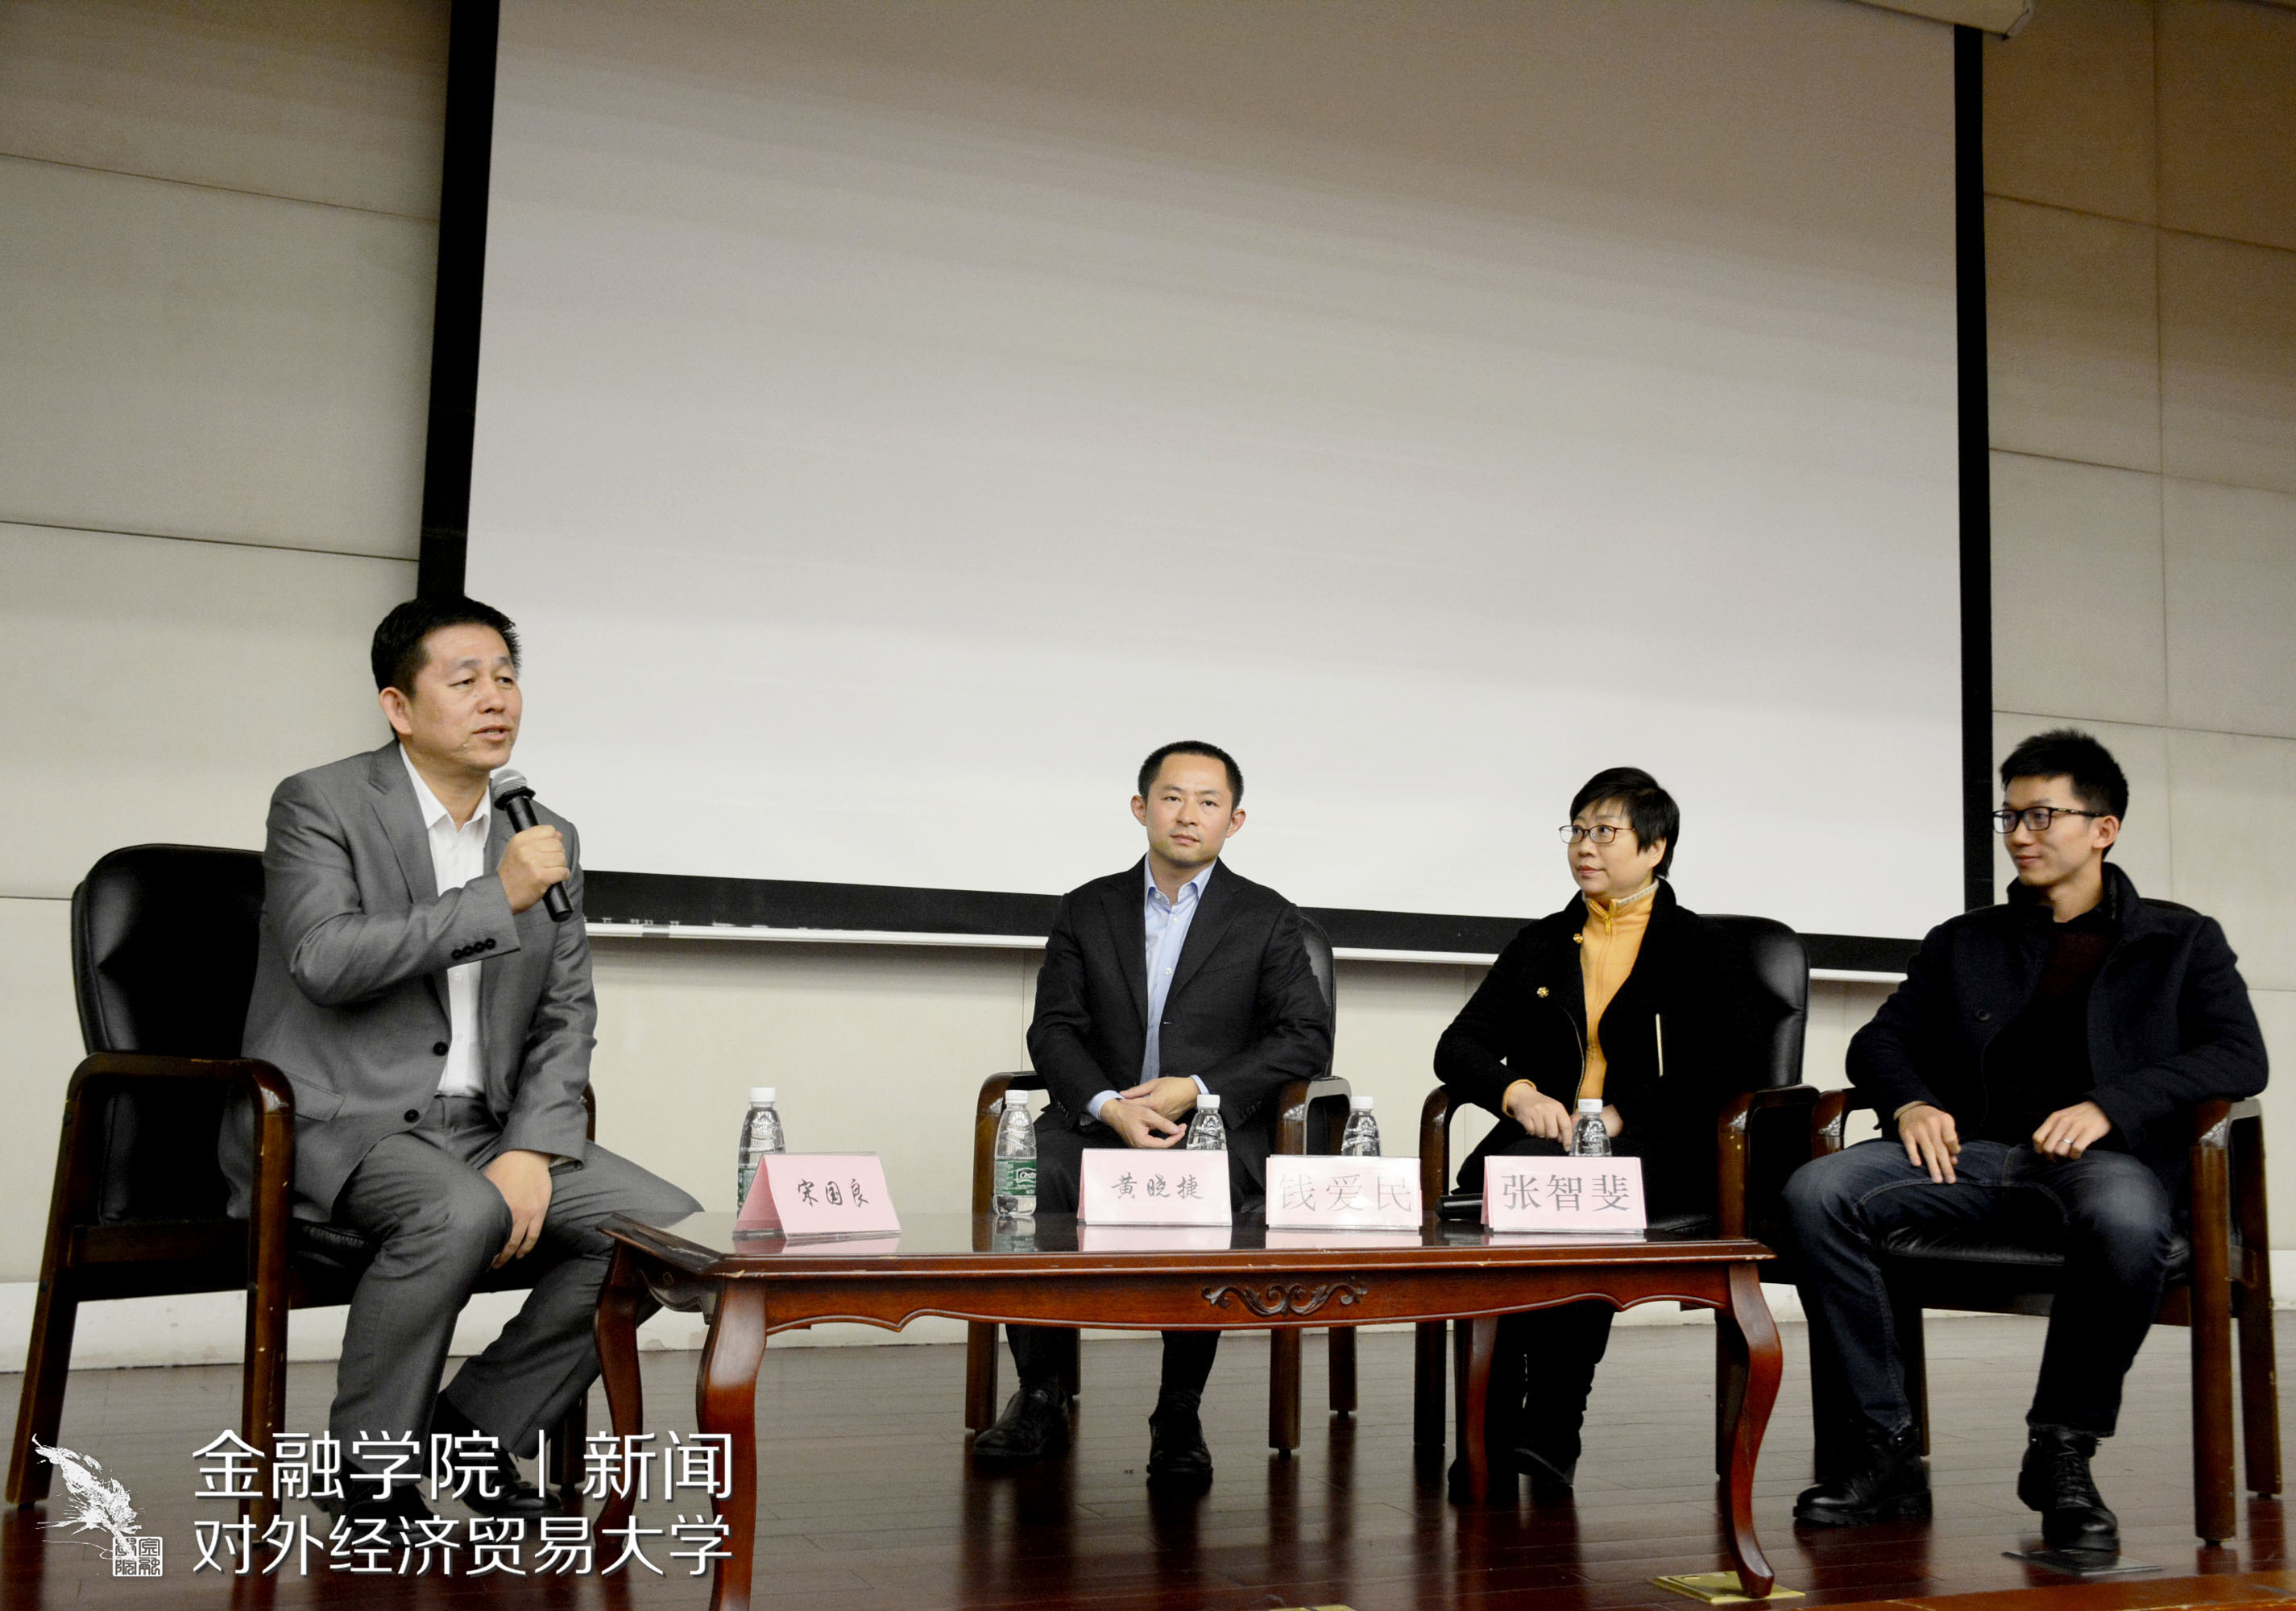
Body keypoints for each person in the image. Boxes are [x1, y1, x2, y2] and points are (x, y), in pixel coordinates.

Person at [226, 595, 702, 1523]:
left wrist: (531, 1146)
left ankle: (473, 1426)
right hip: (342, 1121)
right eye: (467, 679)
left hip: (485, 1126)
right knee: (459, 1208)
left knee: (661, 1232)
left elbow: (566, 1010)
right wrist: (496, 897)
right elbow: (324, 958)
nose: (496, 698)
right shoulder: (320, 803)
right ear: (399, 706)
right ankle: (368, 1470)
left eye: (507, 676)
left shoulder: (542, 832)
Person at [1784, 729, 2266, 1551]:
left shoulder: (2180, 940)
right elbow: (1880, 1041)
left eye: (2041, 815)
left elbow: (2239, 1055)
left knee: (2127, 1217)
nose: (2018, 834)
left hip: (2101, 1163)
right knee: (1817, 1191)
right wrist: (1910, 1104)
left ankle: (2062, 1449)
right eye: (2009, 816)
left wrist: (2111, 1105)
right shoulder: (1964, 938)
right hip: (1967, 1157)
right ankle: (1885, 1445)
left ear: (2104, 829)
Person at [972, 741, 1333, 1485]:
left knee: (1200, 1187)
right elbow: (1054, 1029)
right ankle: (1040, 1392)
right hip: (1096, 1123)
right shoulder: (1087, 908)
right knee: (1036, 1173)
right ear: (1141, 808)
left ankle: (1178, 1409)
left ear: (1235, 820)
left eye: (1208, 802)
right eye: (1172, 797)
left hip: (1210, 1128)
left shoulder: (1268, 917)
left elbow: (1305, 1037)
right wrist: (1109, 1106)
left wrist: (1196, 1088)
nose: (1188, 815)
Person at [1434, 767, 1760, 1494]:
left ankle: (1552, 1423)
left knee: (1571, 1205)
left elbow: (1735, 1062)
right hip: (1545, 1145)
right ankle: (1493, 1431)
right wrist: (1518, 1094)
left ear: (1655, 848)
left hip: (1659, 1145)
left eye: (1604, 832)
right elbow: (1459, 1046)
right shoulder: (1542, 942)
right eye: (1577, 830)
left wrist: (1624, 1112)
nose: (1585, 846)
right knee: (1524, 1186)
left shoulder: (1702, 947)